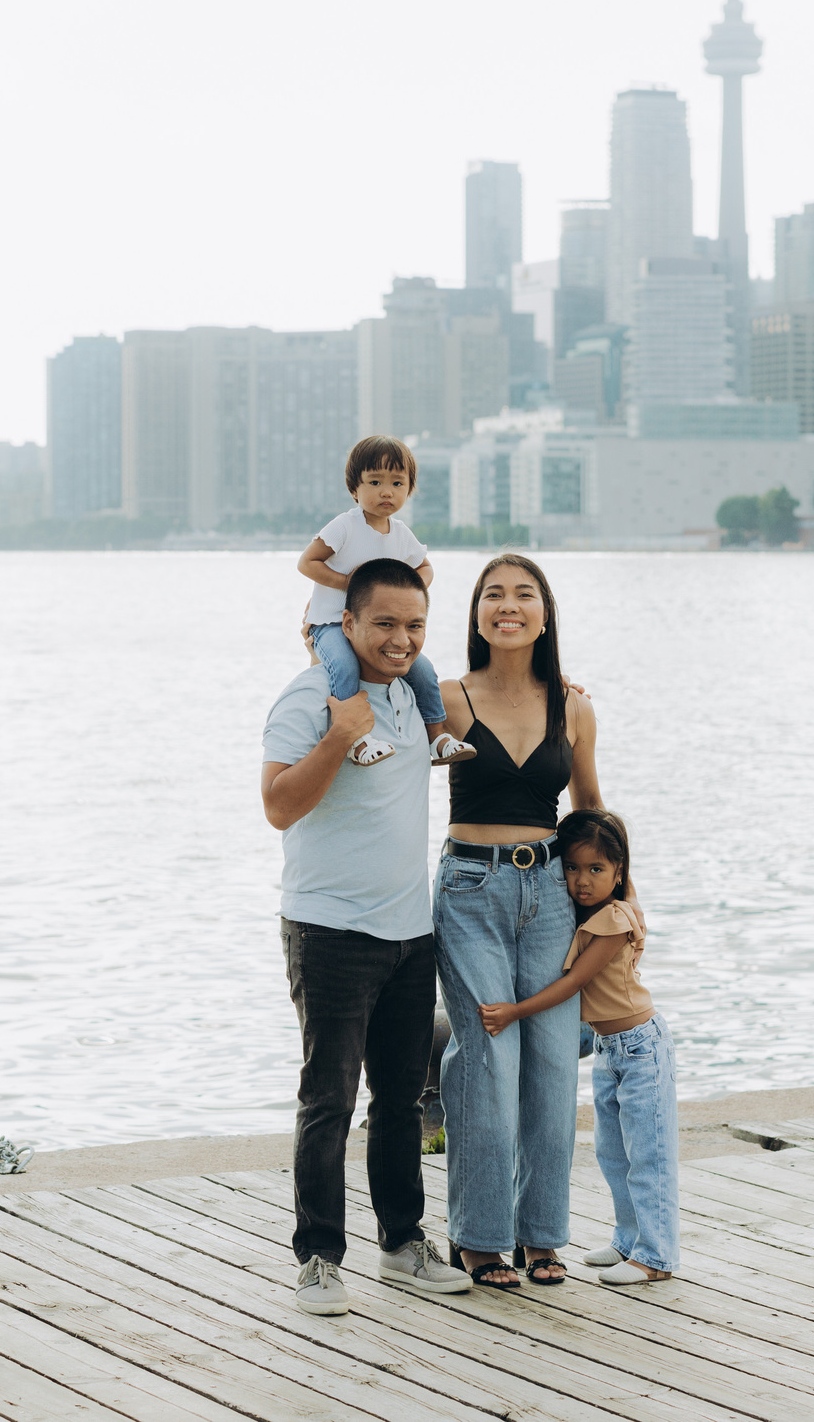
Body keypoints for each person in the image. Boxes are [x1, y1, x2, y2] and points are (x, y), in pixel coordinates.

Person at [259, 556, 473, 1317]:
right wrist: (337, 736)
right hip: (328, 931)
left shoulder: (421, 700)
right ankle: (318, 1258)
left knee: (400, 1100)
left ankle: (403, 1241)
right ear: (345, 623)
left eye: (414, 625)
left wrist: (563, 689)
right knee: (329, 1099)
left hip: (410, 932)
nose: (400, 638)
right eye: (383, 622)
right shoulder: (314, 695)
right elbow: (279, 805)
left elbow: (510, 698)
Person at [434, 552, 603, 1291]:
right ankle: (478, 1237)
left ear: (545, 613)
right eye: (493, 594)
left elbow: (590, 813)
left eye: (524, 594)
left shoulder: (574, 705)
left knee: (553, 1063)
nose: (509, 605)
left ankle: (541, 1234)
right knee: (489, 1058)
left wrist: (618, 908)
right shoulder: (447, 695)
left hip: (552, 896)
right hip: (471, 888)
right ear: (475, 614)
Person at [478, 808, 677, 1284]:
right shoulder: (595, 910)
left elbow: (572, 984)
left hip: (641, 1048)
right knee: (613, 1154)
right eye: (572, 867)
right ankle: (628, 1240)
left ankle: (655, 1257)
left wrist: (514, 1011)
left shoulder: (613, 920)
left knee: (648, 1155)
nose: (582, 881)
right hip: (610, 1051)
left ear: (619, 872)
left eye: (596, 869)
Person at [297, 436, 475, 769]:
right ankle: (354, 737)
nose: (386, 491)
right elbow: (308, 562)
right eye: (375, 482)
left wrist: (406, 591)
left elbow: (425, 567)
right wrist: (348, 584)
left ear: (409, 490)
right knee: (345, 667)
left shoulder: (401, 533)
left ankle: (436, 736)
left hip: (379, 629)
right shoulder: (345, 526)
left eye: (397, 483)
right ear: (355, 488)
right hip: (332, 623)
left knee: (423, 669)